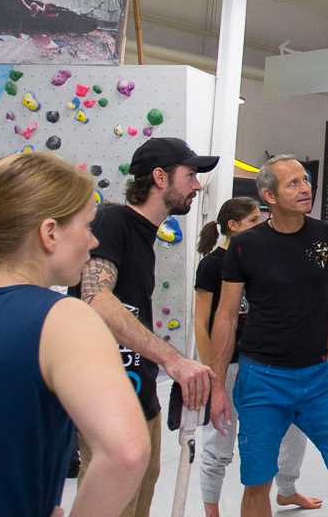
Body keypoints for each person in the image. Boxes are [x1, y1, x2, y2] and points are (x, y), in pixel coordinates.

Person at [0, 152, 150, 517]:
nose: (93, 242)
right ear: (49, 232)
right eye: (87, 227)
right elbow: (127, 451)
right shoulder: (63, 319)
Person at [208, 156, 328, 517]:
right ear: (268, 195)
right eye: (293, 184)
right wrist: (218, 386)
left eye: (306, 180)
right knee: (258, 482)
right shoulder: (245, 245)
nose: (305, 188)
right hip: (261, 380)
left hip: (319, 377)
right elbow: (224, 316)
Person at [77, 137, 218, 517]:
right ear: (159, 177)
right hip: (107, 397)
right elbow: (94, 297)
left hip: (140, 393)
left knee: (141, 495)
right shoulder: (113, 220)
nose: (197, 185)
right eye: (190, 175)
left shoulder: (144, 234)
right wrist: (173, 359)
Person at [194, 198, 323, 515]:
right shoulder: (212, 265)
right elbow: (201, 322)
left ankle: (287, 490)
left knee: (294, 431)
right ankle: (212, 510)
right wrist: (215, 375)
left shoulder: (261, 260)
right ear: (233, 226)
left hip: (272, 363)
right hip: (231, 365)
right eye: (253, 220)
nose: (261, 224)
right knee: (221, 440)